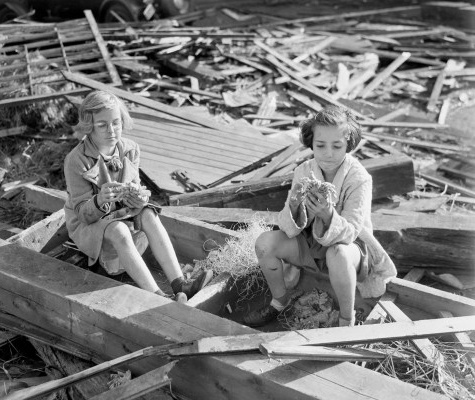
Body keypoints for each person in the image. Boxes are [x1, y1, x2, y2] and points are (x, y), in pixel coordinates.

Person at [243, 105, 397, 327]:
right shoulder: (304, 172)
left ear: (349, 144)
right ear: (311, 143)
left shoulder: (359, 178)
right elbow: (288, 226)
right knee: (265, 243)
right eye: (320, 145)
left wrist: (328, 215)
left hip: (350, 250)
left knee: (339, 254)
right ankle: (279, 301)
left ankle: (347, 318)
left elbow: (352, 232)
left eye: (337, 146)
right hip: (310, 244)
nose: (328, 153)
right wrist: (295, 207)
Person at [63, 90, 212, 302]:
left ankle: (181, 284)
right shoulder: (76, 160)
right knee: (120, 230)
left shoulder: (131, 149)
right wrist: (99, 200)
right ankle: (158, 296)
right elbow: (83, 215)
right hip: (89, 225)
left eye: (116, 122)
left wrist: (138, 198)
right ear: (89, 125)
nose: (112, 130)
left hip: (120, 213)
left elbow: (134, 190)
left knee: (149, 212)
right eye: (102, 125)